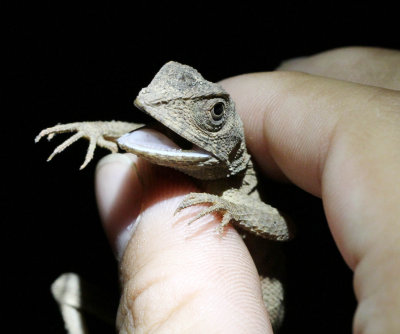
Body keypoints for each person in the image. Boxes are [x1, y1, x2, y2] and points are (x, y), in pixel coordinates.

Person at [95, 47, 400, 333]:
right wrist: (96, 129)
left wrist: (232, 208)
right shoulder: (202, 158)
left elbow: (286, 227)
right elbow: (152, 140)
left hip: (264, 303)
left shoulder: (235, 193)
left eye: (215, 113)